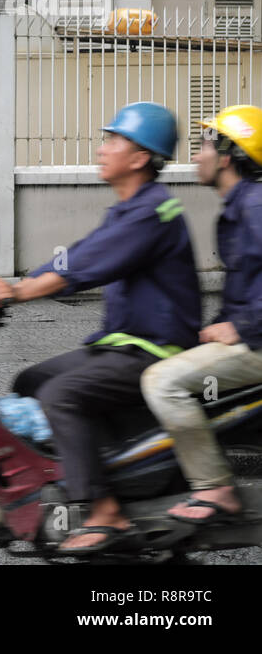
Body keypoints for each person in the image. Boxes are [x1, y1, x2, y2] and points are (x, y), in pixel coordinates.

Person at [0, 102, 201, 555]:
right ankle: (49, 489)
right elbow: (75, 256)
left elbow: (85, 267)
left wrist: (19, 292)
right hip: (121, 346)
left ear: (139, 157)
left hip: (155, 352)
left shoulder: (152, 212)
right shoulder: (128, 208)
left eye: (113, 140)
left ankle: (103, 510)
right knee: (30, 381)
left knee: (63, 395)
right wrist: (19, 283)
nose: (101, 149)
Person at [142, 105, 262, 524]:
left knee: (163, 382)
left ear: (228, 155)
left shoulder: (255, 206)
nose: (196, 155)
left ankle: (214, 488)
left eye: (205, 145)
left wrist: (243, 326)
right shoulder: (239, 206)